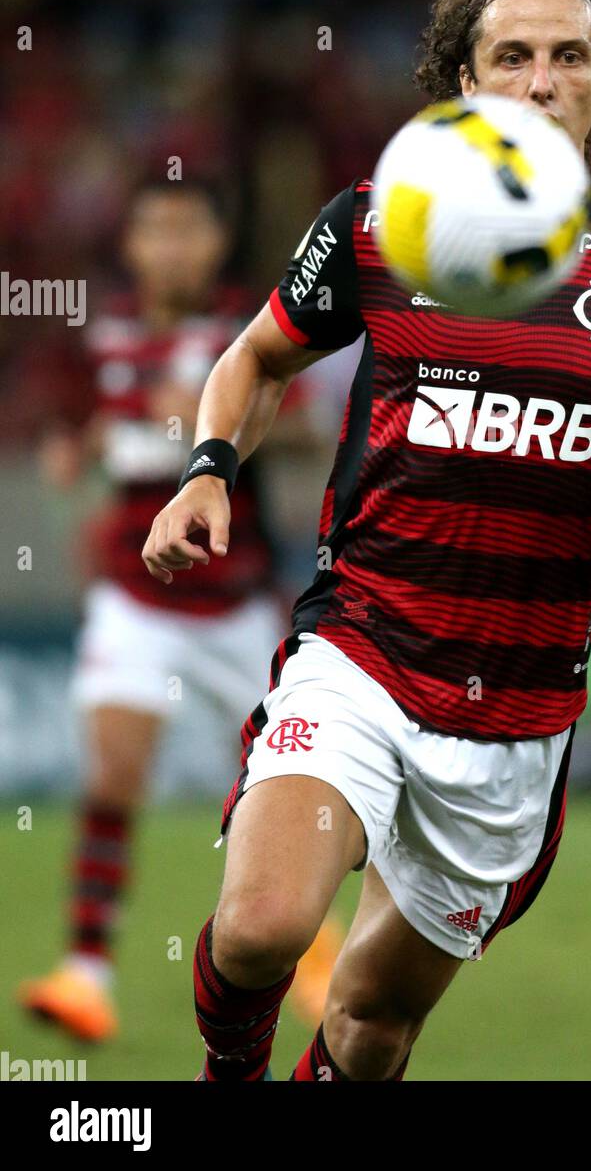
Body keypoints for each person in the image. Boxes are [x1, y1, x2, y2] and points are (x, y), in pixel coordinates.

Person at [143, 0, 591, 1082]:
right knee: (264, 925)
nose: (540, 79)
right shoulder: (381, 219)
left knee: (371, 1028)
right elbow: (253, 359)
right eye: (511, 55)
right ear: (464, 79)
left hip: (519, 709)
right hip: (363, 646)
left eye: (570, 55)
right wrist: (208, 471)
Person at [18, 178, 343, 1043]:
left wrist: (207, 435)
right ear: (130, 245)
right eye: (153, 230)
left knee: (276, 796)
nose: (169, 247)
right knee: (111, 780)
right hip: (135, 600)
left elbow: (311, 428)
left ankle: (311, 962)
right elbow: (79, 434)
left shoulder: (255, 327)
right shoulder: (104, 334)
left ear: (215, 243)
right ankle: (87, 974)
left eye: (187, 230)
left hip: (237, 606)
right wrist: (77, 450)